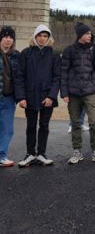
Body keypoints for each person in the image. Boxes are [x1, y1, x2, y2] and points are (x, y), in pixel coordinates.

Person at [61, 22, 95, 164]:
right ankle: (77, 151)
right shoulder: (69, 50)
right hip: (73, 93)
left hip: (90, 92)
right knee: (75, 123)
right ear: (80, 35)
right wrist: (64, 92)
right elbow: (64, 72)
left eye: (90, 33)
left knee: (93, 122)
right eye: (87, 33)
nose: (90, 35)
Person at [15, 24, 60, 167]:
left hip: (47, 97)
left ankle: (41, 153)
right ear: (35, 37)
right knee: (31, 125)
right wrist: (21, 97)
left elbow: (57, 77)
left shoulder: (53, 55)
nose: (42, 38)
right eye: (40, 35)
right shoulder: (26, 53)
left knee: (44, 125)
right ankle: (30, 154)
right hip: (29, 96)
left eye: (45, 36)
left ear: (48, 38)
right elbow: (19, 77)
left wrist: (51, 97)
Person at [0, 26, 19, 167]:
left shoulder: (16, 55)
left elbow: (20, 77)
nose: (8, 39)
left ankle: (2, 155)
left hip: (8, 97)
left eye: (11, 37)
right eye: (5, 36)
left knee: (7, 128)